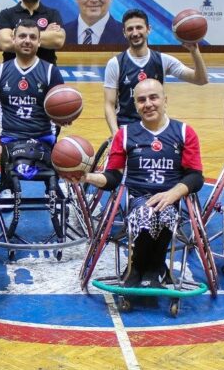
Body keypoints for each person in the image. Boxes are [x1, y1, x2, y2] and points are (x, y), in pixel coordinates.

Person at [77, 79, 204, 288]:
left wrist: (172, 194)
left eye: (153, 97)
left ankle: (147, 269)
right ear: (135, 105)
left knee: (163, 212)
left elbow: (195, 177)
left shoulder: (184, 132)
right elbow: (112, 178)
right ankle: (141, 269)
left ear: (165, 100)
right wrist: (87, 177)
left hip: (171, 198)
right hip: (137, 198)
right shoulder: (125, 134)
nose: (148, 104)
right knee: (146, 213)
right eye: (141, 100)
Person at [103, 9, 210, 135]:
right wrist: (116, 134)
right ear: (124, 33)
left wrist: (194, 51)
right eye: (130, 29)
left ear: (148, 29)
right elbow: (109, 104)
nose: (135, 33)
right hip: (127, 128)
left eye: (139, 27)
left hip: (156, 128)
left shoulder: (163, 60)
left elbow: (201, 80)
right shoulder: (115, 64)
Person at [0, 18, 66, 175]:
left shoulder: (51, 73)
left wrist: (64, 117)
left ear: (39, 42)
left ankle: (52, 189)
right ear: (13, 39)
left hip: (44, 139)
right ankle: (6, 184)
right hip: (10, 139)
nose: (27, 41)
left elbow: (61, 110)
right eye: (22, 36)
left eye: (33, 37)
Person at [0, 0, 66, 64]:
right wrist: (44, 35)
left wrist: (18, 35)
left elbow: (58, 40)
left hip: (46, 73)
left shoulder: (52, 13)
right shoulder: (6, 14)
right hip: (13, 73)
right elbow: (6, 44)